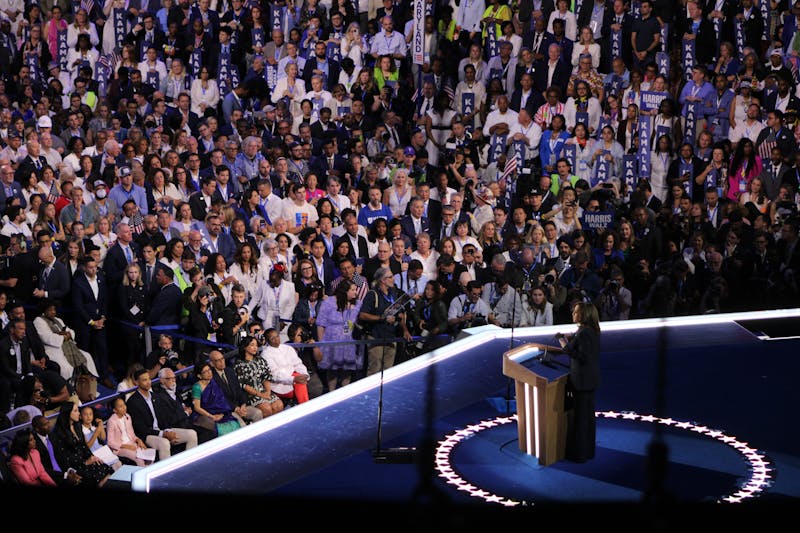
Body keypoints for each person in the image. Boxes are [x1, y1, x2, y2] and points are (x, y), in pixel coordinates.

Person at [544, 301, 601, 463]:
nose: (573, 314)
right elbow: (582, 345)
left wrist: (563, 342)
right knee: (587, 417)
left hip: (582, 381)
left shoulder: (584, 333)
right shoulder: (590, 330)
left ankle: (579, 454)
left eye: (576, 312)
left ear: (584, 314)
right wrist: (572, 338)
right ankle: (587, 451)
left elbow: (581, 355)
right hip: (589, 380)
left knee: (581, 419)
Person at [49, 401, 114, 487]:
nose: (79, 414)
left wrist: (92, 457)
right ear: (68, 413)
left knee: (107, 469)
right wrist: (85, 462)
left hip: (85, 460)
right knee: (96, 477)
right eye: (75, 411)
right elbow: (63, 458)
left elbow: (84, 446)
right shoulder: (59, 433)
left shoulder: (77, 426)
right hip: (75, 467)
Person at [316, 279, 363, 391]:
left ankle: (344, 396)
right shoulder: (329, 302)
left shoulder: (357, 304)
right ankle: (331, 395)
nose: (355, 292)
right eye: (352, 290)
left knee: (347, 372)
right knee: (332, 372)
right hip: (331, 341)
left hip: (349, 341)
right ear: (345, 291)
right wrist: (321, 344)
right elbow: (320, 323)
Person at [234, 336, 284, 419]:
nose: (255, 348)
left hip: (264, 391)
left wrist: (268, 391)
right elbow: (243, 385)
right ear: (245, 347)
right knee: (267, 408)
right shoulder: (239, 364)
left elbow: (266, 376)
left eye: (256, 345)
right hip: (251, 395)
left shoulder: (261, 360)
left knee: (279, 405)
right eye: (252, 345)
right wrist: (260, 395)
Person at [191, 361, 244, 437]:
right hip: (206, 414)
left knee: (234, 425)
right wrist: (211, 416)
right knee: (222, 430)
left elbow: (221, 401)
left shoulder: (214, 382)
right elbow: (197, 408)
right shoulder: (196, 387)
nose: (209, 373)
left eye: (209, 370)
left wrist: (222, 413)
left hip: (220, 412)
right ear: (199, 376)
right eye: (205, 372)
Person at [260, 327, 311, 406]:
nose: (276, 339)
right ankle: (305, 407)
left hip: (294, 378)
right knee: (300, 383)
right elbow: (274, 374)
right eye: (272, 338)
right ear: (267, 340)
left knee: (300, 380)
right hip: (279, 385)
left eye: (277, 336)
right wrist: (293, 379)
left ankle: (304, 407)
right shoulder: (265, 354)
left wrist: (305, 374)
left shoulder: (288, 348)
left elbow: (298, 364)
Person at [105, 395, 156, 466]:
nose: (124, 408)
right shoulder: (111, 421)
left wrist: (139, 440)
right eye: (120, 406)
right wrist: (126, 446)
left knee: (149, 457)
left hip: (131, 443)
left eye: (124, 405)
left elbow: (132, 435)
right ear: (115, 410)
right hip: (120, 448)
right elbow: (110, 442)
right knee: (139, 459)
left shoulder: (127, 416)